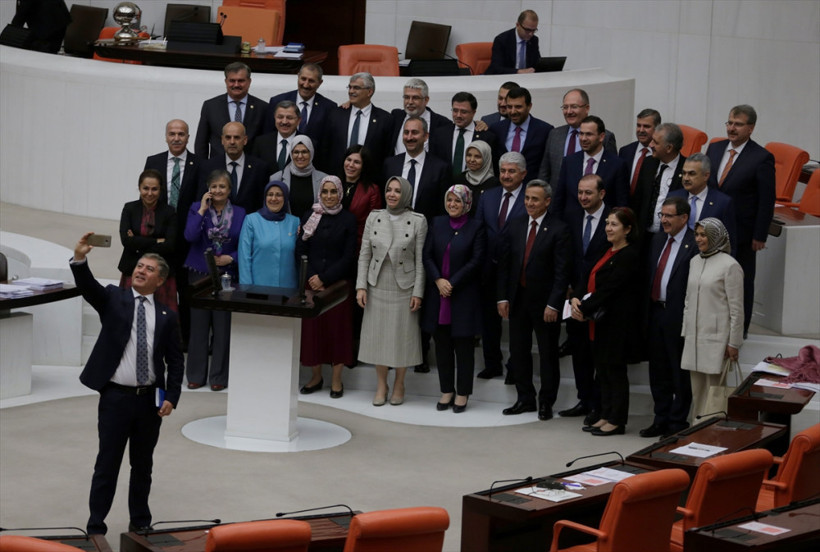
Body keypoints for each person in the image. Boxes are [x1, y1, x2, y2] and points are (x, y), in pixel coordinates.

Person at [70, 233, 183, 535]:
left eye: (149, 269)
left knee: (143, 466)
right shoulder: (114, 298)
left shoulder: (167, 316)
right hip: (115, 399)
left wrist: (172, 396)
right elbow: (88, 287)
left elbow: (175, 360)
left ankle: (141, 523)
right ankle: (96, 526)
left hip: (149, 402)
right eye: (139, 266)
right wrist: (80, 258)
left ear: (160, 280)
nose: (141, 270)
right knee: (107, 464)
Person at [498, 180, 570, 420]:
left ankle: (546, 401)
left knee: (548, 354)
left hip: (545, 303)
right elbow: (505, 264)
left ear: (547, 201)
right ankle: (525, 398)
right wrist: (502, 297)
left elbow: (562, 272)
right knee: (518, 351)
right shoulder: (516, 224)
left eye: (535, 199)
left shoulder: (559, 228)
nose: (529, 203)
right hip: (518, 299)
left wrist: (554, 304)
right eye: (527, 198)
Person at [356, 177, 428, 407]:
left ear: (405, 194)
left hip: (404, 286)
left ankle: (399, 384)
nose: (392, 194)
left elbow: (421, 260)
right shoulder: (374, 216)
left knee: (401, 337)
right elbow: (364, 255)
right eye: (389, 190)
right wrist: (361, 286)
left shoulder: (418, 221)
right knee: (378, 337)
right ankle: (381, 385)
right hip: (377, 284)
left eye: (397, 191)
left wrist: (418, 292)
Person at [705, 105, 775, 336]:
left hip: (742, 233)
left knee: (740, 282)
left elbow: (766, 200)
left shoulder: (761, 157)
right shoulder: (715, 148)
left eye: (738, 124)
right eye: (729, 123)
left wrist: (759, 235)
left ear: (751, 128)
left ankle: (738, 332)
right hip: (711, 228)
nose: (732, 128)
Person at [570, 207, 641, 436]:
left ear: (627, 229)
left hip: (616, 323)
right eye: (607, 223)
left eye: (614, 224)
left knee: (614, 372)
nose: (608, 228)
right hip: (598, 322)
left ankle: (617, 420)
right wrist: (576, 298)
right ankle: (605, 413)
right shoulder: (606, 250)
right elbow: (588, 277)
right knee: (602, 371)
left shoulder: (630, 255)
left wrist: (583, 308)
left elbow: (610, 289)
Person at [422, 185, 486, 413]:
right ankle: (446, 390)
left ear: (466, 203)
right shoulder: (437, 223)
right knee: (442, 347)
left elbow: (476, 260)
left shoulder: (476, 227)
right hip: (438, 295)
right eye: (449, 200)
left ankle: (462, 393)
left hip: (463, 296)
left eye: (457, 201)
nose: (452, 204)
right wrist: (438, 280)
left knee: (464, 348)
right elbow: (427, 255)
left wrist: (452, 283)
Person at [184, 170, 246, 391]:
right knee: (199, 326)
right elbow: (190, 236)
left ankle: (218, 376)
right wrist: (202, 209)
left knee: (222, 327)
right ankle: (195, 375)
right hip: (200, 273)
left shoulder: (240, 213)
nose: (218, 190)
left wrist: (232, 258)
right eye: (214, 186)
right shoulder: (196, 208)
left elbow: (245, 244)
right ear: (208, 188)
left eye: (223, 186)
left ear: (230, 190)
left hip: (226, 275)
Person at [297, 176, 358, 398]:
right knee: (314, 332)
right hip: (311, 284)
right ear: (319, 194)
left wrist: (325, 278)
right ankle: (316, 377)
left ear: (340, 193)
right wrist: (313, 277)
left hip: (338, 286)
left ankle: (336, 380)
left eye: (333, 191)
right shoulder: (310, 216)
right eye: (325, 192)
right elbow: (301, 250)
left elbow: (349, 256)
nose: (329, 196)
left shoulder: (348, 220)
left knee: (338, 332)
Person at [641, 197, 697, 438]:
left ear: (684, 218)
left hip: (678, 315)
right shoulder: (657, 239)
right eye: (661, 215)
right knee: (658, 370)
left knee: (679, 371)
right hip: (655, 312)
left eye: (668, 216)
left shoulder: (694, 243)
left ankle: (677, 421)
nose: (663, 220)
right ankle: (660, 418)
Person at [144, 119, 201, 344]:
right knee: (157, 288)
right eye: (172, 134)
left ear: (188, 137)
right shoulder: (154, 161)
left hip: (187, 240)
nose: (176, 138)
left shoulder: (199, 163)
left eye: (181, 134)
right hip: (159, 238)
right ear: (166, 136)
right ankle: (155, 336)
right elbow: (147, 198)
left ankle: (185, 340)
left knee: (185, 292)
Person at [682, 217, 744, 419]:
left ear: (715, 236)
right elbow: (688, 300)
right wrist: (686, 331)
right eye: (697, 234)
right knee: (697, 390)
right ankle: (697, 428)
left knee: (714, 391)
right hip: (694, 337)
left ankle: (712, 430)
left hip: (717, 339)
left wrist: (734, 343)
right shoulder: (695, 261)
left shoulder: (730, 265)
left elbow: (737, 309)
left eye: (704, 235)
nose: (698, 239)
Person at [560, 174, 610, 423]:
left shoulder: (613, 218)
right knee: (579, 352)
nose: (583, 197)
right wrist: (570, 289)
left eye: (588, 192)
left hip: (601, 297)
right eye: (580, 192)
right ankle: (584, 400)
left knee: (598, 355)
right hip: (575, 297)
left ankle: (598, 405)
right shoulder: (571, 215)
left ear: (602, 193)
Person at [473, 152, 527, 380]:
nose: (506, 175)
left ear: (523, 174)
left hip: (518, 270)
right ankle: (492, 363)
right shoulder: (488, 196)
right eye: (503, 171)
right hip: (489, 267)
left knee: (517, 322)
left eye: (511, 171)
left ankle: (515, 366)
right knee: (489, 320)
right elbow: (478, 229)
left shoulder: (530, 197)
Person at [117, 169, 178, 311]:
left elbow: (170, 245)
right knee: (128, 315)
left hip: (160, 275)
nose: (150, 193)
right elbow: (126, 241)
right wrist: (156, 241)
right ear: (139, 188)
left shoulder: (169, 212)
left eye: (154, 189)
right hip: (132, 270)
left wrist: (137, 241)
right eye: (145, 188)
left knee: (161, 318)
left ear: (160, 190)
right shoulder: (129, 208)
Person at [551, 115, 628, 222]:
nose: (583, 138)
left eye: (589, 134)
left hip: (603, 226)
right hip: (571, 226)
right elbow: (559, 199)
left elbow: (621, 203)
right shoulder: (569, 162)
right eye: (581, 134)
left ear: (601, 137)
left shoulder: (617, 164)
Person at [537, 89, 618, 185]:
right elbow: (544, 172)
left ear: (587, 108)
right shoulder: (554, 134)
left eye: (574, 107)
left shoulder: (605, 137)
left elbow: (612, 173)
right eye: (565, 107)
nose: (569, 111)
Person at [382, 116, 450, 222]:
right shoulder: (390, 164)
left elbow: (442, 208)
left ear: (426, 136)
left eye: (414, 132)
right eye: (406, 132)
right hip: (392, 226)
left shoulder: (440, 168)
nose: (409, 137)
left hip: (426, 228)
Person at [263, 63, 336, 161]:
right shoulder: (277, 101)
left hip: (313, 163)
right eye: (303, 79)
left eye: (311, 81)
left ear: (320, 82)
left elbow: (328, 143)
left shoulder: (329, 107)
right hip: (280, 160)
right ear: (298, 77)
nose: (306, 85)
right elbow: (268, 136)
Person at [194, 62, 269, 159]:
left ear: (249, 81)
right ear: (226, 81)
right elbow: (201, 143)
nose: (236, 85)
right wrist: (202, 166)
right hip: (218, 165)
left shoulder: (263, 108)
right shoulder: (210, 106)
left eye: (241, 81)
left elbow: (266, 143)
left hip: (251, 165)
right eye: (232, 81)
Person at [324, 72, 393, 172]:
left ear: (369, 92)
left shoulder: (385, 119)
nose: (351, 91)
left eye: (356, 88)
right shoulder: (336, 114)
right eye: (350, 87)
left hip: (369, 177)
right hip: (338, 175)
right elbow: (325, 148)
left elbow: (387, 153)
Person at [668, 153, 737, 254]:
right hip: (675, 255)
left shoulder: (723, 203)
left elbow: (728, 243)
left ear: (706, 176)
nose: (686, 178)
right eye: (684, 173)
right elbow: (664, 233)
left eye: (692, 174)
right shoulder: (673, 197)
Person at [198, 122, 270, 214]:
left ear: (245, 140)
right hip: (216, 221)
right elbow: (202, 199)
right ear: (222, 140)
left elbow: (262, 202)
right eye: (228, 137)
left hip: (249, 221)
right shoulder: (208, 166)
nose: (232, 142)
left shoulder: (260, 168)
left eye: (237, 137)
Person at [238, 180, 299, 288]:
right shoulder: (251, 220)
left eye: (279, 195)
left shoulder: (295, 222)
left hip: (288, 288)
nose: (274, 199)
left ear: (285, 198)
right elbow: (244, 257)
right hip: (258, 288)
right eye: (270, 194)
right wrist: (246, 288)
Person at [631, 122, 686, 241]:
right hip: (643, 236)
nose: (650, 145)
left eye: (655, 142)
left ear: (669, 148)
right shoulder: (648, 163)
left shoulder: (686, 169)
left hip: (670, 237)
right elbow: (637, 201)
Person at [489, 87, 553, 184]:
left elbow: (547, 166)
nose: (513, 111)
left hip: (531, 189)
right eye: (509, 107)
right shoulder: (496, 129)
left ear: (529, 106)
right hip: (502, 188)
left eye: (518, 107)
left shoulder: (545, 130)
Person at [430, 92, 499, 178]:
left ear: (473, 112)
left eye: (463, 112)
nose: (458, 115)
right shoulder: (440, 134)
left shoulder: (486, 137)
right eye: (455, 110)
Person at [388, 78, 451, 155]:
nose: (410, 102)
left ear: (426, 100)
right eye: (407, 97)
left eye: (415, 98)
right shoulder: (396, 117)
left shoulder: (442, 123)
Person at [270, 135, 328, 218]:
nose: (300, 156)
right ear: (291, 154)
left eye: (304, 152)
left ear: (311, 153)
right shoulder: (277, 178)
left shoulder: (324, 179)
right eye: (296, 152)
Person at [339, 145, 383, 246]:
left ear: (364, 166)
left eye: (357, 162)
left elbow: (374, 224)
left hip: (357, 243)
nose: (351, 165)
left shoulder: (372, 190)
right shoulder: (333, 183)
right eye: (348, 160)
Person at [252, 100, 302, 174]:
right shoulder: (261, 143)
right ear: (275, 118)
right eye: (280, 117)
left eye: (289, 118)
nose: (284, 122)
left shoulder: (308, 143)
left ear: (298, 120)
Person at [619, 109, 661, 193]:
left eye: (646, 126)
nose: (641, 130)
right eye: (638, 125)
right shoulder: (625, 151)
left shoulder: (660, 154)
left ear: (657, 128)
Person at [485, 10, 540, 74]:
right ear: (517, 25)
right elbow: (496, 68)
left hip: (525, 78)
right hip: (503, 77)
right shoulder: (502, 40)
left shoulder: (534, 40)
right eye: (527, 30)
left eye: (534, 30)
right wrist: (518, 72)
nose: (531, 34)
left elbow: (537, 64)